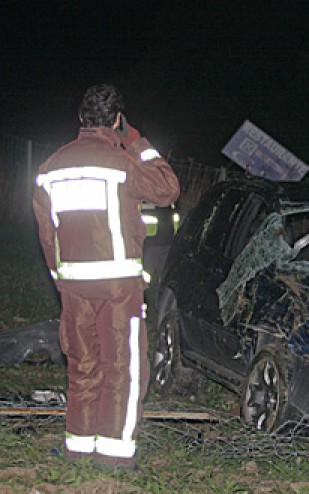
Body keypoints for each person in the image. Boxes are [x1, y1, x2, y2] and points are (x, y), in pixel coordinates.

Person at [32, 84, 180, 470]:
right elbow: (168, 189)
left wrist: (61, 279)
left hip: (72, 287)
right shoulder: (122, 163)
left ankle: (79, 449)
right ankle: (114, 457)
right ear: (117, 120)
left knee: (83, 367)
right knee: (123, 369)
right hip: (119, 287)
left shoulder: (49, 169)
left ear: (80, 119)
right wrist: (137, 142)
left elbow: (47, 237)